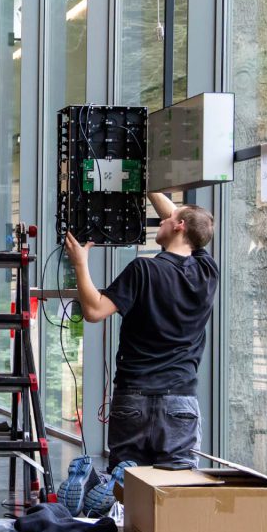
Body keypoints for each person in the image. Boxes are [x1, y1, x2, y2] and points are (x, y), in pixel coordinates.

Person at [64, 192, 217, 486]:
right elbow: (190, 223)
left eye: (168, 219)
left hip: (133, 397)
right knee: (178, 488)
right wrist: (150, 189)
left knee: (127, 487)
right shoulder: (207, 272)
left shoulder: (143, 269)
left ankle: (114, 510)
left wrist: (81, 264)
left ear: (179, 226)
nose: (163, 219)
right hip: (180, 401)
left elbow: (95, 311)